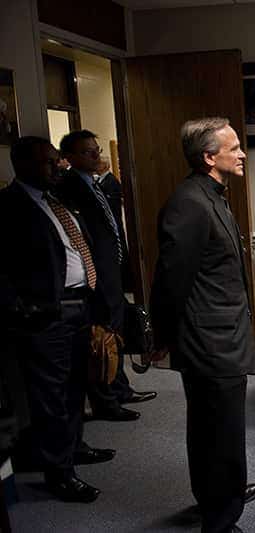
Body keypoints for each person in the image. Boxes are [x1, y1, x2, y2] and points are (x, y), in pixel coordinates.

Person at [150, 117, 255, 533]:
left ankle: (224, 491)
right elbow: (170, 281)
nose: (242, 154)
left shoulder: (211, 194)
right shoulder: (189, 204)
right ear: (209, 157)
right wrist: (161, 338)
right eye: (234, 148)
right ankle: (219, 516)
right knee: (218, 433)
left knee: (219, 428)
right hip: (209, 343)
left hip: (222, 334)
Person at [0, 137, 113, 502]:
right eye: (49, 162)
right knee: (50, 395)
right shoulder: (9, 206)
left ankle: (75, 446)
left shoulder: (55, 199)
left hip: (79, 305)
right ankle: (59, 473)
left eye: (57, 161)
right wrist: (20, 308)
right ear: (23, 165)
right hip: (46, 315)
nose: (58, 167)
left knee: (75, 385)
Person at [58, 130, 157, 423]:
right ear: (71, 157)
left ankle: (121, 388)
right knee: (101, 339)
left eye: (97, 150)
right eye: (88, 152)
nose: (96, 156)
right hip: (94, 276)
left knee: (116, 332)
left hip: (112, 271)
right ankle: (106, 401)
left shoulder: (97, 184)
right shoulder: (69, 187)